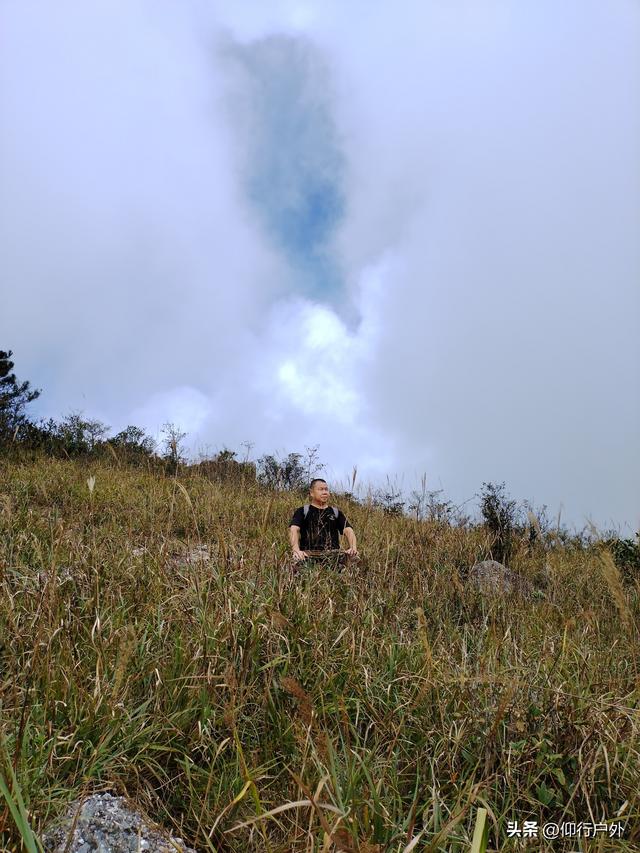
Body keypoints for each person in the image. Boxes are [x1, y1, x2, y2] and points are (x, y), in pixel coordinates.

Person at [288, 478, 359, 569]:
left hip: (333, 554)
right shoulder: (303, 511)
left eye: (326, 489)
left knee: (354, 560)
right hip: (308, 554)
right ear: (312, 493)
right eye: (320, 489)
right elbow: (294, 529)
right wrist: (296, 551)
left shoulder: (335, 512)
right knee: (295, 564)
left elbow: (348, 530)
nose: (325, 492)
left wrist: (353, 548)